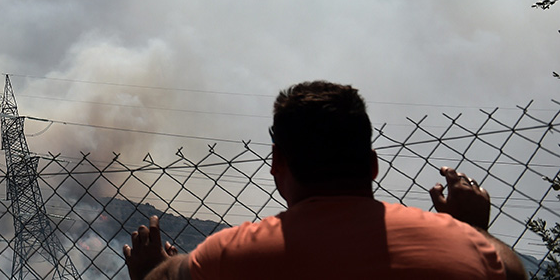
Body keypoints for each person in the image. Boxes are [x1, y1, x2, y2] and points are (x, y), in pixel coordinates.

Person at [123, 81, 527, 280]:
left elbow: (165, 277)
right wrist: (472, 227)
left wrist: (154, 269)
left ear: (277, 162)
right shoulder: (464, 248)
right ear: (372, 165)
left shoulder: (231, 254)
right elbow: (512, 270)